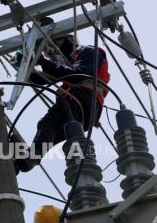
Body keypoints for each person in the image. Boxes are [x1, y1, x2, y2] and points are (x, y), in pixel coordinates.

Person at [14, 22, 110, 173]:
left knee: (48, 123)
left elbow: (79, 75)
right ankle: (24, 162)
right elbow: (46, 79)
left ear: (69, 40)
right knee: (51, 135)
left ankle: (31, 158)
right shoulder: (69, 66)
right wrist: (25, 70)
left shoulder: (89, 51)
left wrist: (44, 62)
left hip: (81, 100)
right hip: (84, 110)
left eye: (55, 46)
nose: (52, 54)